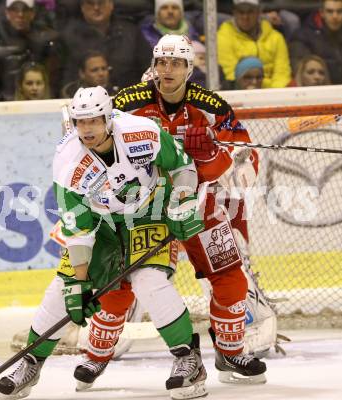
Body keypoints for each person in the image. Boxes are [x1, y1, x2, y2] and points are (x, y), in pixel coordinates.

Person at [76, 34, 268, 390]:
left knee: (230, 275)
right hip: (142, 208)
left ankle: (230, 352)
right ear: (153, 65)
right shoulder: (128, 103)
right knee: (120, 283)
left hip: (197, 202)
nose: (167, 70)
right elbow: (94, 139)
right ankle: (97, 355)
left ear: (188, 69)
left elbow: (243, 149)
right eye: (161, 62)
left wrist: (229, 160)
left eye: (176, 63)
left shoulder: (210, 105)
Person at [0, 85, 208, 400]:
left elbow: (183, 167)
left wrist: (182, 200)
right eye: (80, 122)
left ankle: (188, 360)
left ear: (109, 118)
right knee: (62, 289)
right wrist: (79, 286)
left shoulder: (142, 133)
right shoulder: (67, 162)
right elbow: (79, 230)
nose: (86, 129)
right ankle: (31, 362)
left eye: (93, 121)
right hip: (100, 222)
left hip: (147, 212)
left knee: (149, 281)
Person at [61, 0, 151, 90]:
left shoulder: (131, 32)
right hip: (87, 99)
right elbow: (67, 80)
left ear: (111, 4)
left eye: (101, 2)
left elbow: (149, 69)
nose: (96, 8)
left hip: (130, 97)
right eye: (90, 3)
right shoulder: (70, 37)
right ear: (82, 8)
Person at [0, 0, 65, 100]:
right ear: (7, 13)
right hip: (6, 101)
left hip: (42, 100)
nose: (20, 15)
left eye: (25, 10)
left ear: (32, 13)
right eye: (15, 10)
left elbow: (56, 77)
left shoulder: (46, 39)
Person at [217, 0, 291, 88]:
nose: (245, 17)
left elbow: (282, 73)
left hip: (274, 93)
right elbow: (230, 73)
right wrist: (258, 85)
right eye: (241, 12)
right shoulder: (223, 36)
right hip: (240, 91)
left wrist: (274, 93)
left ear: (259, 13)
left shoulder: (276, 37)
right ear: (234, 13)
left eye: (250, 12)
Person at [289, 0, 342, 84]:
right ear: (322, 13)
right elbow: (301, 70)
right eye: (330, 11)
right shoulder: (303, 36)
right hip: (316, 90)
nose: (335, 16)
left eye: (339, 11)